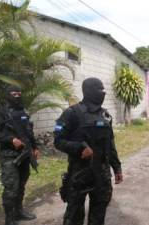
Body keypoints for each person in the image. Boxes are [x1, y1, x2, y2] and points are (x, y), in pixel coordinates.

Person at [54, 77, 123, 225]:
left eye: (103, 91)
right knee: (74, 215)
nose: (102, 94)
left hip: (102, 173)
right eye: (100, 91)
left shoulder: (105, 115)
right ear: (89, 91)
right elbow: (58, 141)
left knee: (99, 214)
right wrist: (79, 148)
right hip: (80, 172)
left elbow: (110, 145)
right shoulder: (72, 113)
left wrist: (117, 167)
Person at [0, 85, 39, 225]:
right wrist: (11, 140)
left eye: (19, 92)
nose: (17, 95)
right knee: (11, 188)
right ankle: (9, 219)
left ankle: (19, 212)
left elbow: (29, 131)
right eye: (13, 93)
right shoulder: (2, 113)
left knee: (21, 185)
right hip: (10, 157)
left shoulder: (23, 111)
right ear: (8, 95)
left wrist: (35, 147)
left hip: (25, 154)